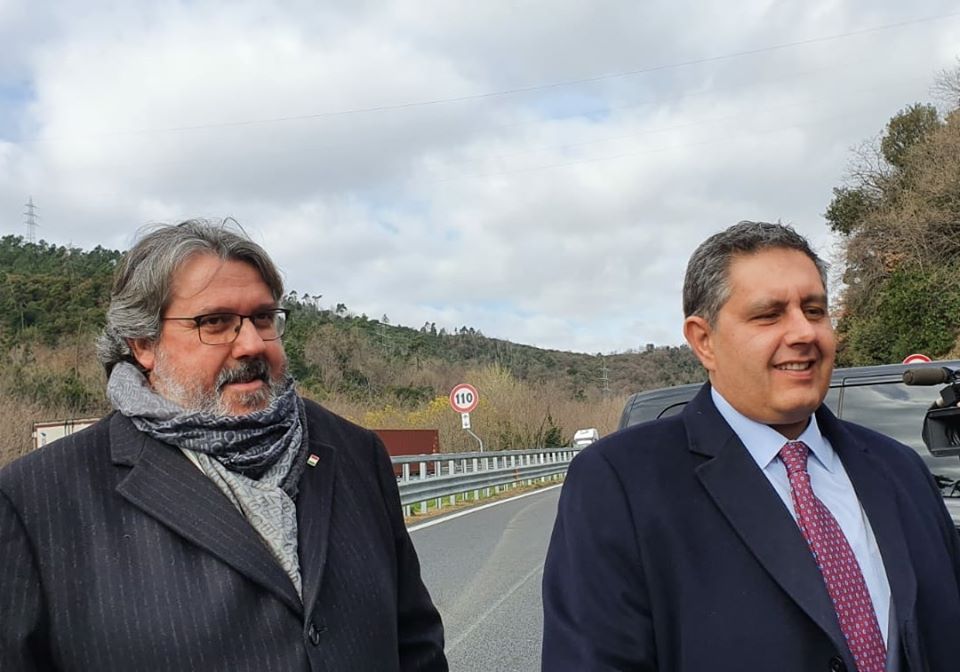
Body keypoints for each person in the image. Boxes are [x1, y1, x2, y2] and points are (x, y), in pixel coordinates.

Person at [0, 220, 447, 671]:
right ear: (143, 344)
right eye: (215, 323)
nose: (251, 344)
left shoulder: (356, 453)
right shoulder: (35, 502)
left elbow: (416, 644)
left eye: (263, 318)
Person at [541, 221, 960, 671]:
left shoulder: (898, 467)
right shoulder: (619, 483)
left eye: (815, 310)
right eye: (769, 315)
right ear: (704, 341)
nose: (804, 333)